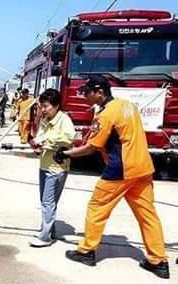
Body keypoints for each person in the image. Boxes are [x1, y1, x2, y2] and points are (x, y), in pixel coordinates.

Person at [54, 75, 169, 279]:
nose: (84, 97)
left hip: (120, 169)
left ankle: (86, 251)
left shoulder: (105, 115)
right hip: (143, 167)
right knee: (148, 216)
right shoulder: (128, 106)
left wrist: (64, 153)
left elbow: (92, 148)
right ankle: (158, 261)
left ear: (100, 92)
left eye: (87, 92)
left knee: (97, 208)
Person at [28, 89, 75, 247]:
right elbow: (40, 137)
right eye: (42, 106)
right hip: (44, 164)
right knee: (46, 201)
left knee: (48, 202)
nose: (43, 110)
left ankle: (45, 237)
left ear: (56, 105)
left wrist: (47, 140)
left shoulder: (64, 120)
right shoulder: (45, 120)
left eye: (46, 106)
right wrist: (36, 145)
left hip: (57, 167)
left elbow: (69, 138)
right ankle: (48, 230)